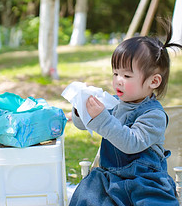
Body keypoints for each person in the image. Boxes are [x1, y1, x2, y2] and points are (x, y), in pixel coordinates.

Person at [69, 22, 181, 206]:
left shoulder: (154, 115)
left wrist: (101, 118)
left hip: (145, 180)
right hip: (109, 177)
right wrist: (81, 110)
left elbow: (132, 142)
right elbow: (83, 125)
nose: (118, 81)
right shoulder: (113, 103)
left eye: (127, 76)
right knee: (88, 196)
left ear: (154, 81)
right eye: (115, 74)